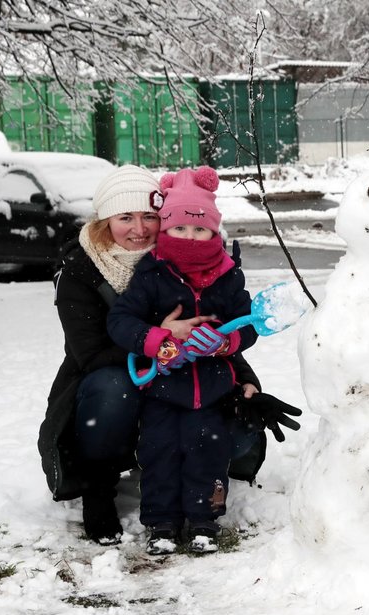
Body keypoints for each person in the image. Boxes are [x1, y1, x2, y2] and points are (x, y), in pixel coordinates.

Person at [37, 164, 299, 548]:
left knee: (229, 429)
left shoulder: (190, 261)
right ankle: (99, 486)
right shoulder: (82, 268)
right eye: (125, 217)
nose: (140, 229)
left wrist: (243, 378)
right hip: (110, 377)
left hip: (186, 378)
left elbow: (220, 322)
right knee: (115, 389)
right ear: (105, 220)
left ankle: (199, 506)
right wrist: (161, 342)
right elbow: (91, 352)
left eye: (149, 217)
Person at [106, 166, 261, 555]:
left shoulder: (227, 275)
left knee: (208, 448)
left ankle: (204, 520)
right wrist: (156, 339)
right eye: (179, 229)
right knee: (159, 449)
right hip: (163, 387)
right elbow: (121, 320)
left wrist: (226, 342)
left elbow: (250, 324)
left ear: (214, 232)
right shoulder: (152, 273)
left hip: (211, 388)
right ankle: (161, 523)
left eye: (199, 230)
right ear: (166, 230)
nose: (189, 237)